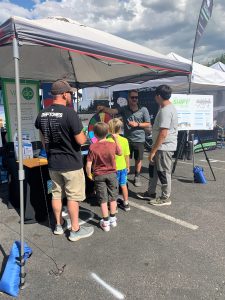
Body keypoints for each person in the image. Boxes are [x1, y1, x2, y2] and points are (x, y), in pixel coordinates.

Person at [35, 79, 94, 241]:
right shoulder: (69, 113)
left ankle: (59, 225)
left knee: (56, 194)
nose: (71, 96)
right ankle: (75, 230)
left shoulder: (42, 113)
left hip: (53, 163)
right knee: (73, 197)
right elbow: (81, 141)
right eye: (70, 93)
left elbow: (42, 136)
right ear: (63, 94)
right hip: (71, 164)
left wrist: (47, 149)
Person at [97, 89, 150, 187]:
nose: (134, 99)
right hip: (127, 139)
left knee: (138, 159)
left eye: (136, 97)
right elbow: (113, 111)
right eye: (132, 97)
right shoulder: (124, 108)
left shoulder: (143, 109)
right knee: (125, 158)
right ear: (128, 98)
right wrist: (104, 108)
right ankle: (124, 176)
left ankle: (137, 176)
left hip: (139, 140)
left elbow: (148, 123)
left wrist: (137, 124)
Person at [137, 85, 178, 206]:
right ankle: (151, 192)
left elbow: (163, 133)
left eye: (155, 95)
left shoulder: (166, 110)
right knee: (153, 170)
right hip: (160, 146)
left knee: (163, 173)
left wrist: (153, 151)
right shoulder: (165, 107)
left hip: (164, 147)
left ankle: (165, 197)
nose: (155, 98)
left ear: (159, 96)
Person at [86, 122, 122, 232]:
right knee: (113, 197)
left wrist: (89, 174)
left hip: (99, 175)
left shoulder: (92, 146)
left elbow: (88, 164)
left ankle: (105, 222)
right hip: (112, 174)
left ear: (95, 135)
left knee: (102, 199)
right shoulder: (112, 144)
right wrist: (116, 139)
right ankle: (113, 219)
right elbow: (120, 153)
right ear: (107, 133)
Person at [107, 118, 130, 211]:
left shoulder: (107, 141)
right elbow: (126, 155)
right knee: (123, 185)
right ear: (120, 129)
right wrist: (128, 166)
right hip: (123, 168)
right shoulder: (124, 140)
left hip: (112, 169)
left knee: (113, 187)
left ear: (109, 129)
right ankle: (126, 203)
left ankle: (114, 205)